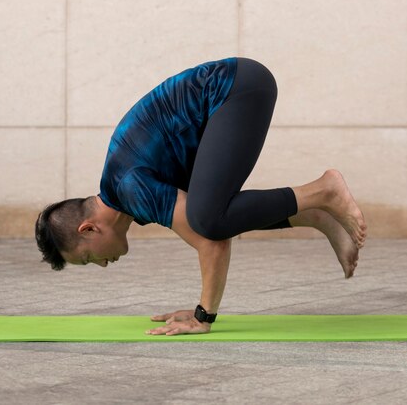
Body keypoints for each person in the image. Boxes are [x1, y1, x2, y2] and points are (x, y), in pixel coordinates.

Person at [35, 56, 367, 336]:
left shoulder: (130, 189)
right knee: (212, 212)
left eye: (89, 259)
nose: (102, 265)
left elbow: (212, 239)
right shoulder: (125, 193)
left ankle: (324, 190)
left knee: (208, 218)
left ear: (89, 229)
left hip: (234, 88)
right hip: (236, 88)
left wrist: (202, 316)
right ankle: (316, 213)